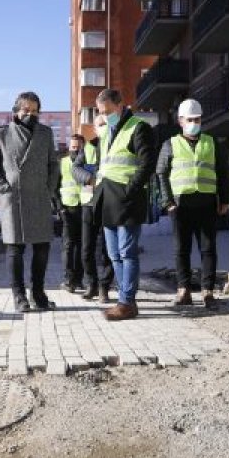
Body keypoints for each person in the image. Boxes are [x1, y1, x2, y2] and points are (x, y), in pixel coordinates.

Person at [0, 91, 60, 313]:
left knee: (42, 247)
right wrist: (3, 188)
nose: (30, 114)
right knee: (15, 249)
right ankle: (19, 297)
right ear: (16, 111)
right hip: (14, 199)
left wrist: (49, 188)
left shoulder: (45, 133)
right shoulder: (2, 133)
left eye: (35, 110)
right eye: (26, 110)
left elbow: (53, 165)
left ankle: (38, 294)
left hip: (39, 197)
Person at [157, 98, 229, 310]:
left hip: (207, 203)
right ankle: (184, 290)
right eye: (190, 119)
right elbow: (161, 173)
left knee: (208, 248)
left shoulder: (211, 142)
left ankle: (208, 291)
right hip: (180, 205)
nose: (194, 122)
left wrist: (225, 199)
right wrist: (167, 201)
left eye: (197, 119)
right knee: (181, 249)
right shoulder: (169, 144)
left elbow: (223, 172)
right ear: (180, 121)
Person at [93, 88, 155, 321]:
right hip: (108, 198)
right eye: (101, 112)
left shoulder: (139, 127)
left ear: (121, 105)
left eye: (108, 111)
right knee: (114, 254)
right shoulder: (108, 132)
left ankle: (126, 302)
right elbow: (106, 165)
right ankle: (125, 298)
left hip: (127, 198)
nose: (105, 115)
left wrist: (131, 190)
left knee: (127, 252)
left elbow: (147, 163)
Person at [71, 117, 115, 303]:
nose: (103, 128)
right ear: (95, 129)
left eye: (106, 124)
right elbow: (75, 169)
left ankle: (105, 286)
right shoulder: (87, 148)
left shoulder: (115, 145)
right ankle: (92, 284)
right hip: (89, 204)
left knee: (108, 249)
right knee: (87, 248)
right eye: (100, 125)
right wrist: (90, 179)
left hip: (109, 204)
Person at [56, 134, 86, 293]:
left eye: (79, 147)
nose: (76, 150)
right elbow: (54, 188)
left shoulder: (88, 162)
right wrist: (60, 208)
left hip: (84, 208)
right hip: (67, 209)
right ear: (69, 148)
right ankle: (68, 280)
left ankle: (79, 280)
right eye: (73, 147)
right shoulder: (62, 163)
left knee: (82, 246)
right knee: (68, 246)